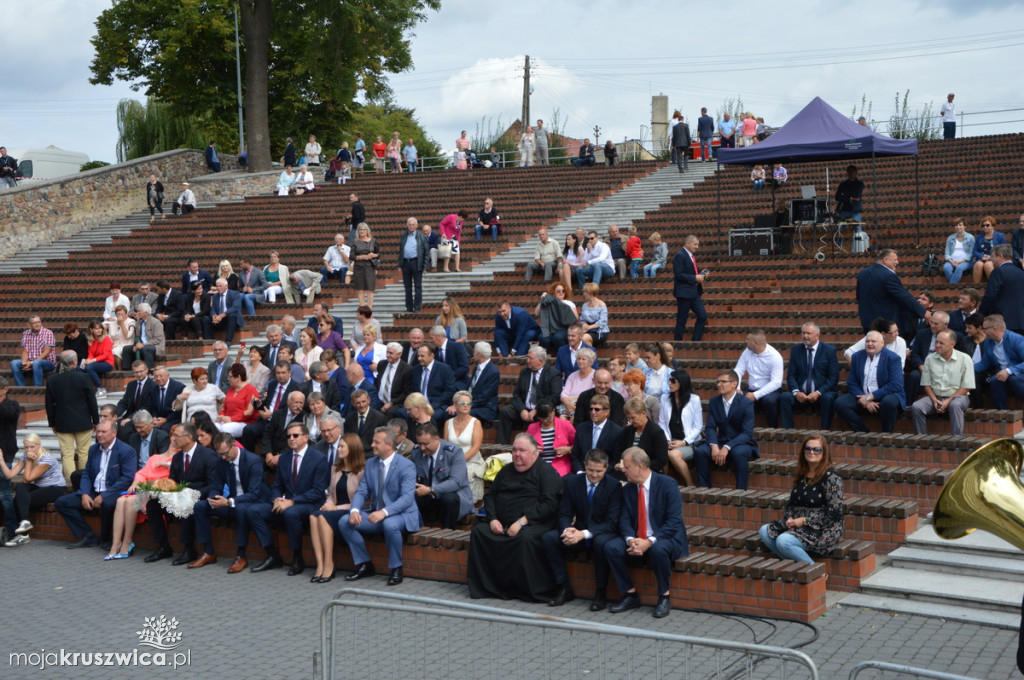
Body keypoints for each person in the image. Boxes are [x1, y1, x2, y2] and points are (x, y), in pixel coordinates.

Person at [468, 432, 562, 601]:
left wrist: (522, 521)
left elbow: (550, 504)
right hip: (502, 522)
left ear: (535, 453)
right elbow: (491, 496)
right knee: (479, 532)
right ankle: (489, 587)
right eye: (515, 450)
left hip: (534, 523)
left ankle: (524, 591)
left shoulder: (546, 472)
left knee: (524, 539)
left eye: (522, 450)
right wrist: (493, 518)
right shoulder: (506, 470)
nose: (517, 454)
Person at [605, 447, 688, 619]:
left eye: (627, 467)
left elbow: (674, 521)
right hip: (638, 537)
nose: (623, 470)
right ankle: (630, 594)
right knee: (611, 547)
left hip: (666, 536)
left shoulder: (667, 484)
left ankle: (664, 597)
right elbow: (624, 519)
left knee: (658, 550)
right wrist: (630, 540)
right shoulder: (628, 489)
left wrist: (649, 541)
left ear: (640, 466)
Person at [245, 422, 330, 575]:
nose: (291, 439)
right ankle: (272, 555)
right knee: (253, 511)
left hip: (310, 505)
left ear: (305, 437)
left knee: (291, 513)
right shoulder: (284, 458)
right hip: (287, 504)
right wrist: (277, 499)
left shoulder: (319, 458)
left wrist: (292, 502)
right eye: (288, 436)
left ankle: (297, 558)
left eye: (295, 435)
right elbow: (277, 485)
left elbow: (318, 492)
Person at [541, 448, 621, 609]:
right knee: (549, 538)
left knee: (601, 543)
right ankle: (563, 587)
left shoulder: (614, 486)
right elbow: (564, 512)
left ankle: (600, 592)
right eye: (590, 470)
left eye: (599, 471)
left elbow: (611, 522)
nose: (594, 474)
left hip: (601, 532)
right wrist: (567, 530)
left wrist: (583, 534)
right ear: (585, 466)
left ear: (606, 468)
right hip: (577, 531)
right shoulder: (572, 482)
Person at [340, 427, 421, 586]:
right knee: (345, 521)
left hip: (402, 515)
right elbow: (362, 491)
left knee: (390, 524)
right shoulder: (370, 463)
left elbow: (406, 498)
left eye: (376, 442)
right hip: (377, 514)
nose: (372, 445)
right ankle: (365, 564)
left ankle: (396, 568)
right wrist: (355, 510)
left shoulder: (406, 465)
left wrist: (384, 512)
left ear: (389, 445)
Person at [187, 432, 272, 572]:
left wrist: (229, 501)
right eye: (220, 454)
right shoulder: (221, 461)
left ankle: (241, 555)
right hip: (231, 501)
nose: (223, 457)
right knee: (200, 506)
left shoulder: (252, 460)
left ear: (233, 446)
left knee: (241, 509)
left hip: (255, 502)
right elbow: (216, 485)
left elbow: (253, 494)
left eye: (225, 453)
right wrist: (214, 498)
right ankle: (208, 552)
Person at [759, 435, 844, 563]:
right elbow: (791, 503)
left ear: (824, 453)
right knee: (764, 531)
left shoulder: (831, 477)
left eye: (816, 449)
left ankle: (816, 572)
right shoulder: (802, 474)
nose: (811, 452)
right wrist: (789, 518)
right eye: (808, 448)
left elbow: (835, 512)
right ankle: (798, 566)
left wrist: (805, 521)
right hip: (799, 525)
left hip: (823, 529)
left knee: (783, 541)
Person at [56, 420, 138, 550]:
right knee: (62, 502)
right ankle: (88, 535)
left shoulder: (126, 451)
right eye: (98, 431)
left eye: (103, 432)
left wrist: (104, 496)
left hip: (114, 492)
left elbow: (127, 478)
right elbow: (87, 474)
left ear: (114, 433)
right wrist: (84, 493)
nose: (99, 435)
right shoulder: (94, 449)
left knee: (108, 504)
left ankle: (106, 539)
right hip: (94, 490)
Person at [104, 431, 174, 560]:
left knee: (131, 501)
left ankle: (127, 542)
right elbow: (142, 473)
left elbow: (172, 481)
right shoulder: (155, 458)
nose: (173, 444)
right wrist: (136, 482)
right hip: (143, 490)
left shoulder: (177, 461)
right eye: (172, 440)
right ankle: (115, 544)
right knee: (120, 501)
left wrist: (166, 465)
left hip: (155, 494)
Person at [309, 428, 364, 583]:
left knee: (323, 518)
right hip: (334, 509)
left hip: (350, 510)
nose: (338, 449)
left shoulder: (361, 470)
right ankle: (320, 564)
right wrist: (327, 505)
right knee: (314, 515)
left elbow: (362, 500)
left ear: (352, 448)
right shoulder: (335, 468)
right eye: (339, 446)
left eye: (342, 447)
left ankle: (329, 563)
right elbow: (331, 494)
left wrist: (335, 508)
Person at [697, 370, 758, 489]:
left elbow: (747, 433)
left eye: (723, 381)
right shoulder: (714, 402)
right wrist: (714, 445)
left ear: (734, 384)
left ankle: (741, 491)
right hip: (721, 441)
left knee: (738, 453)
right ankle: (705, 489)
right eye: (718, 381)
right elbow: (710, 427)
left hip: (741, 443)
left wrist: (727, 447)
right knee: (701, 451)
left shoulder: (746, 403)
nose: (719, 384)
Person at [0, 434, 65, 547]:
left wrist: (29, 462)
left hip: (55, 488)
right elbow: (9, 475)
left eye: (32, 447)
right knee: (20, 488)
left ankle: (23, 535)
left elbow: (27, 479)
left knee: (20, 501)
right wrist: (1, 461)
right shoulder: (25, 456)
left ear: (39, 445)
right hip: (40, 487)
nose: (29, 450)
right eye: (26, 447)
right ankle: (24, 525)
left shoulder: (46, 458)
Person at [834, 331, 906, 433]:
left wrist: (870, 397)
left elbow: (896, 385)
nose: (870, 344)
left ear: (882, 344)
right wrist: (864, 400)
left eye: (873, 341)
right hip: (862, 395)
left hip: (886, 395)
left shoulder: (892, 358)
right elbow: (852, 382)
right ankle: (862, 432)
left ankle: (886, 433)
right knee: (840, 403)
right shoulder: (857, 357)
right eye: (867, 341)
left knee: (889, 402)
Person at [45, 350, 99, 480]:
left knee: (67, 454)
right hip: (82, 421)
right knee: (84, 453)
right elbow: (92, 400)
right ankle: (84, 481)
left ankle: (70, 482)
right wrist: (96, 420)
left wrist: (52, 423)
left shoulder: (52, 379)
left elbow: (49, 404)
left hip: (62, 422)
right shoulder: (83, 377)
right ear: (75, 361)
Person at [910, 329, 974, 436]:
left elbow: (966, 387)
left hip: (958, 397)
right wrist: (935, 400)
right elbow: (926, 385)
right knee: (916, 407)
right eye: (936, 342)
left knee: (955, 405)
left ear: (952, 344)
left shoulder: (965, 359)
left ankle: (957, 439)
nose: (937, 345)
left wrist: (947, 401)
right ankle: (921, 438)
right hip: (936, 397)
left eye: (941, 343)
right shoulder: (930, 359)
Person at [410, 422, 473, 529]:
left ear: (437, 439)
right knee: (412, 497)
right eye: (420, 444)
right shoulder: (417, 453)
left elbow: (456, 482)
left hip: (452, 496)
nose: (422, 448)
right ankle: (416, 532)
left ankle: (447, 533)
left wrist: (431, 490)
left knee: (448, 499)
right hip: (428, 497)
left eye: (426, 444)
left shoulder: (454, 452)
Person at [497, 346, 562, 445]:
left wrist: (536, 409)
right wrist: (522, 409)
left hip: (540, 410)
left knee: (543, 414)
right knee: (506, 412)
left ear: (540, 361)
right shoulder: (524, 372)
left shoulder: (553, 374)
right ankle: (501, 445)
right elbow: (516, 394)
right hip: (524, 408)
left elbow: (554, 397)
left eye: (530, 358)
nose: (527, 361)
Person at [780, 323, 839, 430]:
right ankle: (788, 431)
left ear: (817, 336)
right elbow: (791, 375)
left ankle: (824, 432)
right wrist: (796, 392)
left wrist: (818, 392)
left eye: (809, 333)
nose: (805, 336)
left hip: (821, 394)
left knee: (828, 398)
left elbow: (833, 378)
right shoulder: (796, 350)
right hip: (801, 394)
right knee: (784, 397)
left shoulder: (829, 351)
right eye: (803, 333)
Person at [856, 249, 925, 334]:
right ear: (885, 260)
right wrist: (923, 312)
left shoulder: (863, 273)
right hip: (885, 325)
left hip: (867, 322)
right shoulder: (889, 275)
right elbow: (904, 297)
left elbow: (858, 296)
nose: (897, 262)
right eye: (895, 260)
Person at [733, 328, 784, 428]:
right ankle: (739, 429)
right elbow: (738, 370)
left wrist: (756, 395)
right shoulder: (747, 352)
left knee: (770, 401)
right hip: (751, 388)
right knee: (735, 398)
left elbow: (776, 382)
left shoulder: (775, 356)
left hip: (770, 390)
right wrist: (737, 387)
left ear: (755, 342)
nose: (745, 341)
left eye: (748, 339)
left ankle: (772, 428)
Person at [973, 315, 1024, 409]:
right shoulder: (988, 342)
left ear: (994, 328)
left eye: (984, 328)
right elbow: (985, 363)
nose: (982, 331)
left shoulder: (1016, 339)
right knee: (994, 381)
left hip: (1019, 374)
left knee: (1014, 379)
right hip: (1003, 375)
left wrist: (1009, 371)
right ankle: (1003, 413)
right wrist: (968, 369)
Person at [570, 393, 626, 478]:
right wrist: (580, 471)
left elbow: (616, 459)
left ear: (607, 411)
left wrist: (599, 473)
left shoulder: (617, 432)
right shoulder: (581, 428)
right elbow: (575, 455)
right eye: (591, 409)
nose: (593, 412)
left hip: (605, 475)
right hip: (582, 473)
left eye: (597, 409)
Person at [979, 244, 1024, 334]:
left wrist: (981, 314)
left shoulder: (998, 272)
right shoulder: (1021, 273)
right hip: (1021, 322)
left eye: (994, 256)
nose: (992, 259)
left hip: (1003, 322)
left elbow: (990, 296)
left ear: (1001, 256)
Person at [673, 235, 708, 341]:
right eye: (695, 244)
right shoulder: (680, 256)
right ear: (688, 243)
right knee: (682, 320)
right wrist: (694, 278)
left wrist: (702, 274)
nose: (697, 247)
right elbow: (679, 274)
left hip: (695, 293)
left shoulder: (691, 256)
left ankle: (695, 341)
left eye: (697, 244)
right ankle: (677, 342)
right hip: (684, 293)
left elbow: (693, 272)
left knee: (702, 316)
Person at [622, 396, 668, 475]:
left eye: (633, 418)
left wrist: (639, 468)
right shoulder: (628, 431)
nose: (630, 421)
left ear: (643, 413)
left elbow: (661, 460)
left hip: (649, 473)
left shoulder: (656, 432)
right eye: (628, 418)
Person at [11, 315, 56, 387]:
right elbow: (25, 351)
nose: (37, 324)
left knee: (36, 363)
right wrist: (24, 364)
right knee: (14, 363)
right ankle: (21, 387)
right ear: (29, 324)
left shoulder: (48, 333)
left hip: (47, 362)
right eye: (34, 323)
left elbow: (47, 352)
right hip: (30, 362)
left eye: (38, 322)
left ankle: (37, 387)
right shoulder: (26, 333)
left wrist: (31, 363)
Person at [399, 216, 428, 313]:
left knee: (418, 286)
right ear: (407, 225)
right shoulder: (403, 236)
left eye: (413, 225)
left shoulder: (422, 237)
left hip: (416, 263)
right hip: (406, 263)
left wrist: (425, 267)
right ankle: (409, 307)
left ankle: (417, 307)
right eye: (409, 225)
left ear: (416, 225)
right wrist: (400, 264)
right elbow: (401, 250)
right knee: (407, 287)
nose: (411, 226)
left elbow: (426, 253)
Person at [560, 347, 596, 420]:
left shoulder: (595, 375)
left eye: (583, 359)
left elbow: (591, 395)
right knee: (562, 418)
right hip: (569, 406)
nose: (580, 361)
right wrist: (569, 404)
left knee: (574, 417)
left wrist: (574, 404)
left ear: (591, 362)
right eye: (578, 359)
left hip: (585, 407)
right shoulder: (572, 375)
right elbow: (564, 394)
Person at [350, 223, 380, 308]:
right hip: (359, 267)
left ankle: (369, 308)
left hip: (370, 266)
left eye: (364, 229)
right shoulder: (355, 242)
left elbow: (378, 253)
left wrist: (372, 255)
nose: (362, 231)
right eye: (360, 230)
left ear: (367, 231)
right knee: (360, 289)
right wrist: (361, 257)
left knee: (370, 288)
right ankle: (362, 308)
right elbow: (351, 256)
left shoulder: (373, 241)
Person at [972, 217, 1006, 284]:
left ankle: (994, 286)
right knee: (978, 264)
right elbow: (974, 251)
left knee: (988, 264)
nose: (985, 227)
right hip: (982, 258)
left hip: (995, 258)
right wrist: (982, 256)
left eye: (987, 225)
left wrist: (991, 257)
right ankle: (976, 287)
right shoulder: (979, 237)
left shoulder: (1000, 236)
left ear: (993, 226)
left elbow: (1003, 249)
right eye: (983, 225)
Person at [943, 218, 976, 283]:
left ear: (964, 226)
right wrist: (952, 262)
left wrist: (960, 261)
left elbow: (971, 254)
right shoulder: (950, 238)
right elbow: (947, 254)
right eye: (956, 225)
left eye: (960, 225)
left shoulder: (970, 237)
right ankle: (953, 286)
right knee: (946, 268)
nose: (958, 227)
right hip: (952, 261)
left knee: (959, 268)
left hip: (966, 261)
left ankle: (951, 287)